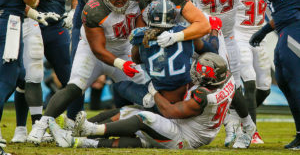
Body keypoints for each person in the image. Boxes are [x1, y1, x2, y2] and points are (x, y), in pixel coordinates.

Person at [27, 0, 146, 145]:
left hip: (125, 49)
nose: (120, 3)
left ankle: (102, 128)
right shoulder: (93, 9)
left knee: (146, 94)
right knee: (75, 87)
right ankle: (41, 125)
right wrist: (122, 64)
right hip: (93, 51)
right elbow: (98, 49)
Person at [49, 52, 236, 149]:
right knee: (128, 112)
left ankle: (89, 130)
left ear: (207, 80)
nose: (195, 73)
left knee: (146, 118)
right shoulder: (227, 79)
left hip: (186, 138)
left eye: (199, 73)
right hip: (191, 128)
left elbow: (170, 112)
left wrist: (154, 93)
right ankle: (76, 136)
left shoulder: (204, 96)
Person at [209, 0, 300, 150]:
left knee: (295, 83)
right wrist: (263, 31)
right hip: (284, 27)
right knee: (284, 82)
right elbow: (282, 10)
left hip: (294, 29)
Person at [182, 0, 256, 148]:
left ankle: (246, 127)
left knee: (231, 84)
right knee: (198, 80)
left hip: (228, 36)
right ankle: (230, 124)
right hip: (201, 34)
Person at [67, 0, 136, 123]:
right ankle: (72, 121)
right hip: (87, 29)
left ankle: (122, 121)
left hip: (118, 35)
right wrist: (102, 11)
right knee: (78, 79)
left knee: (124, 79)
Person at [10, 0, 62, 143]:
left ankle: (35, 127)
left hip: (30, 22)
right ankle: (20, 128)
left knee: (34, 73)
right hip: (9, 19)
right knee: (9, 76)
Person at [226, 0, 272, 144]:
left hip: (258, 37)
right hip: (239, 36)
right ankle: (251, 131)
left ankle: (235, 115)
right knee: (250, 82)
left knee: (265, 87)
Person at [0, 0, 38, 147]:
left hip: (7, 14)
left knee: (21, 74)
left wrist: (34, 14)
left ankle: (22, 128)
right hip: (9, 21)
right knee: (8, 76)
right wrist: (35, 2)